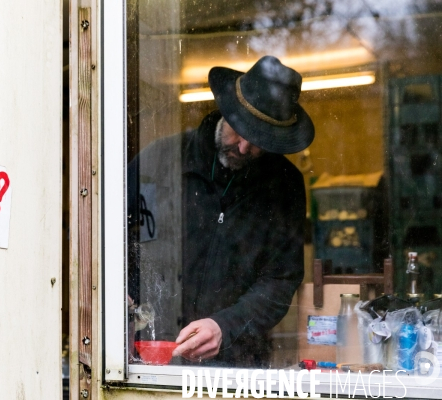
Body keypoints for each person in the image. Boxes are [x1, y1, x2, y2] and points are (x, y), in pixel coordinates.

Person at [127, 56, 315, 367]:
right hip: (151, 355)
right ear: (226, 112)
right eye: (239, 132)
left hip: (237, 363)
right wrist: (123, 290)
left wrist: (225, 327)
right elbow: (110, 232)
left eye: (258, 142)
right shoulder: (161, 159)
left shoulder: (285, 185)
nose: (243, 148)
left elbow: (281, 280)